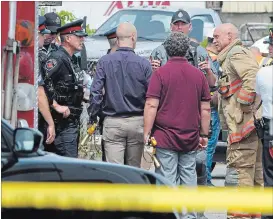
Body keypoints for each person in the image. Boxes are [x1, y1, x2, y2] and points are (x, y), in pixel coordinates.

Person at [144, 32, 211, 219]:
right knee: (189, 176)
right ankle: (189, 215)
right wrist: (204, 134)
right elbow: (205, 108)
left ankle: (168, 215)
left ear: (166, 49)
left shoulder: (160, 74)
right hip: (190, 137)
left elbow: (151, 104)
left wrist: (147, 132)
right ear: (187, 50)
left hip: (164, 136)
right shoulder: (198, 75)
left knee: (166, 177)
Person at [214, 23, 263, 218]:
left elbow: (252, 76)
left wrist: (243, 105)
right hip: (247, 130)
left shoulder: (235, 54)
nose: (214, 41)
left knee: (239, 176)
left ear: (229, 36)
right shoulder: (230, 57)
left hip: (243, 130)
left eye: (217, 37)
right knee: (254, 177)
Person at [88, 22, 152, 168]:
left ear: (117, 39)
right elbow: (151, 97)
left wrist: (93, 116)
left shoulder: (104, 62)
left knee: (115, 172)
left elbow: (95, 92)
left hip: (113, 122)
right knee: (134, 170)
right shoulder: (144, 64)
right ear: (133, 37)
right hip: (137, 122)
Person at [42, 19, 87, 157]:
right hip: (61, 125)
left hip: (71, 123)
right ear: (67, 38)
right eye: (79, 36)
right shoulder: (58, 58)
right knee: (69, 171)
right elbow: (42, 83)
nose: (82, 39)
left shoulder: (70, 59)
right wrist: (55, 105)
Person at [150, 9, 217, 87]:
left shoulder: (199, 51)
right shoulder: (159, 52)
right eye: (176, 24)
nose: (179, 27)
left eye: (183, 24)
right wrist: (154, 72)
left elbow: (213, 84)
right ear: (171, 27)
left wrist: (208, 72)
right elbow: (152, 85)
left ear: (190, 27)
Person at [204, 29, 221, 186]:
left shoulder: (200, 55)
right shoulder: (214, 60)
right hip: (212, 108)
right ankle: (206, 179)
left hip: (201, 107)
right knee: (208, 147)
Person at [37, 16, 55, 146]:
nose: (45, 37)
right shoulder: (37, 57)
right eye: (42, 34)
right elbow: (39, 91)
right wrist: (50, 122)